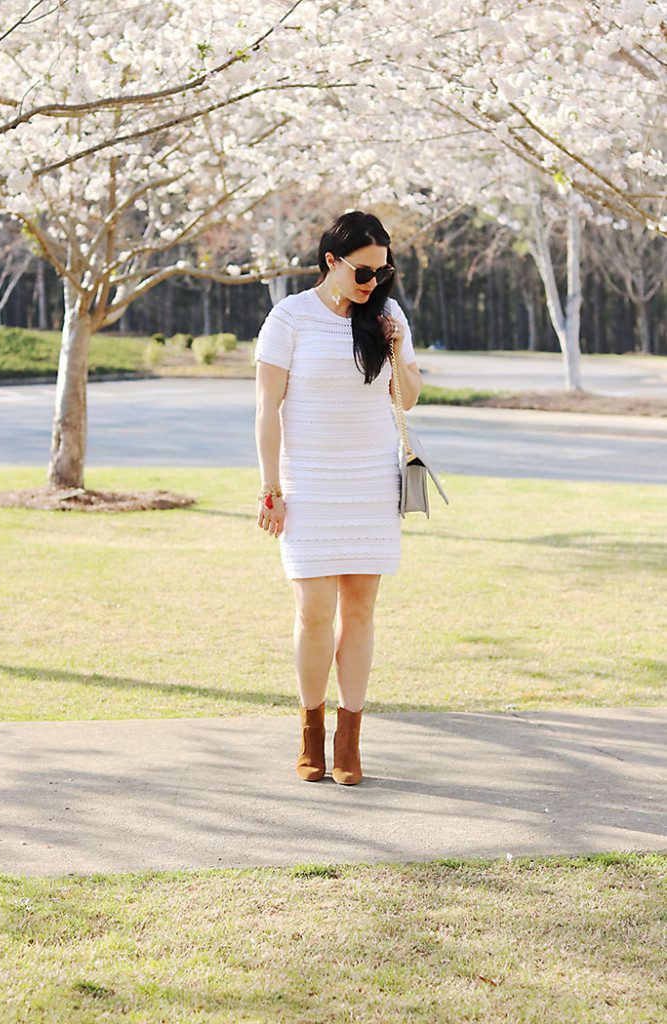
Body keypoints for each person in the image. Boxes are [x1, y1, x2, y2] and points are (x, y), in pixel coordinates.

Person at [253, 211, 422, 785]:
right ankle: (311, 730)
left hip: (371, 481)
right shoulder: (290, 317)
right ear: (332, 261)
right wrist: (271, 487)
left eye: (382, 271)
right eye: (363, 270)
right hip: (310, 482)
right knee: (314, 609)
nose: (373, 281)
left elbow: (412, 395)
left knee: (361, 608)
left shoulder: (387, 315)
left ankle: (350, 737)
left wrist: (396, 346)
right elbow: (266, 410)